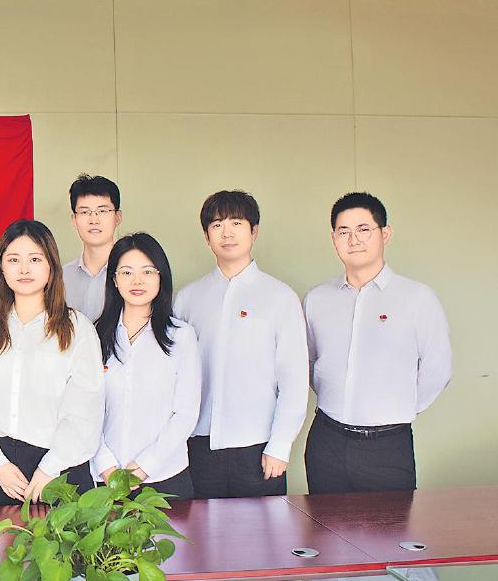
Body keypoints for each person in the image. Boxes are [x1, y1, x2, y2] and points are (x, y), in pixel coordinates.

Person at [302, 192, 452, 494]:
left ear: (385, 234)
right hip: (327, 441)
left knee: (389, 525)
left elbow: (439, 369)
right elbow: (310, 361)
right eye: (344, 231)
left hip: (387, 447)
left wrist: (398, 406)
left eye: (364, 229)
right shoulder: (317, 299)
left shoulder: (417, 298)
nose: (354, 239)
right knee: (324, 523)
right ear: (334, 238)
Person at [174, 191, 308, 499]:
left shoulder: (280, 297)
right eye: (217, 224)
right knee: (202, 529)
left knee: (263, 530)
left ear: (254, 231)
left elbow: (294, 379)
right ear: (207, 236)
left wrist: (280, 445)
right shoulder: (188, 298)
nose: (227, 233)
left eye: (236, 223)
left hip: (259, 447)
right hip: (199, 444)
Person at [0, 220, 105, 505]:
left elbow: (85, 409)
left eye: (35, 259)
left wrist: (50, 468)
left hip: (61, 467)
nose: (24, 269)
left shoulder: (77, 329)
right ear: (1, 268)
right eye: (13, 260)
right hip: (0, 471)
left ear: (51, 267)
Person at [90, 233, 200, 499]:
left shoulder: (181, 336)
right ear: (114, 280)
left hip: (165, 478)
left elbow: (185, 414)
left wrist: (143, 468)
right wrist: (106, 467)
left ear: (161, 277)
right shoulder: (94, 335)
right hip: (105, 479)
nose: (137, 281)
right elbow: (85, 409)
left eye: (147, 271)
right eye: (127, 272)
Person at [63, 174, 123, 321]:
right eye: (84, 212)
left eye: (102, 211)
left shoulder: (131, 274)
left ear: (117, 217)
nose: (94, 220)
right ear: (74, 220)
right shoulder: (60, 277)